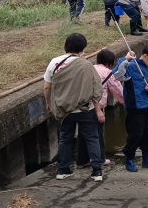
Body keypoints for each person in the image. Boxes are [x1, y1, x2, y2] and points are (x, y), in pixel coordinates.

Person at [43, 33, 105, 182]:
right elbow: (95, 90)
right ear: (82, 48)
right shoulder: (86, 65)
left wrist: (48, 103)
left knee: (65, 139)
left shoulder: (54, 63)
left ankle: (62, 170)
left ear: (66, 45)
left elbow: (47, 87)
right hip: (85, 109)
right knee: (92, 138)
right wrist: (98, 110)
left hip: (64, 110)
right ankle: (97, 171)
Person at [114, 45, 148, 172]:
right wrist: (125, 59)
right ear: (145, 56)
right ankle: (129, 158)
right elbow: (117, 75)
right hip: (135, 107)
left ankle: (147, 158)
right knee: (135, 134)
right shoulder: (131, 66)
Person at [76, 49, 124, 169]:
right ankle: (100, 160)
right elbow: (118, 91)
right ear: (110, 62)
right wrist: (126, 103)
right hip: (96, 108)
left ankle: (82, 161)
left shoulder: (90, 68)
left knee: (83, 135)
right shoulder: (108, 73)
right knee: (97, 135)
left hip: (82, 106)